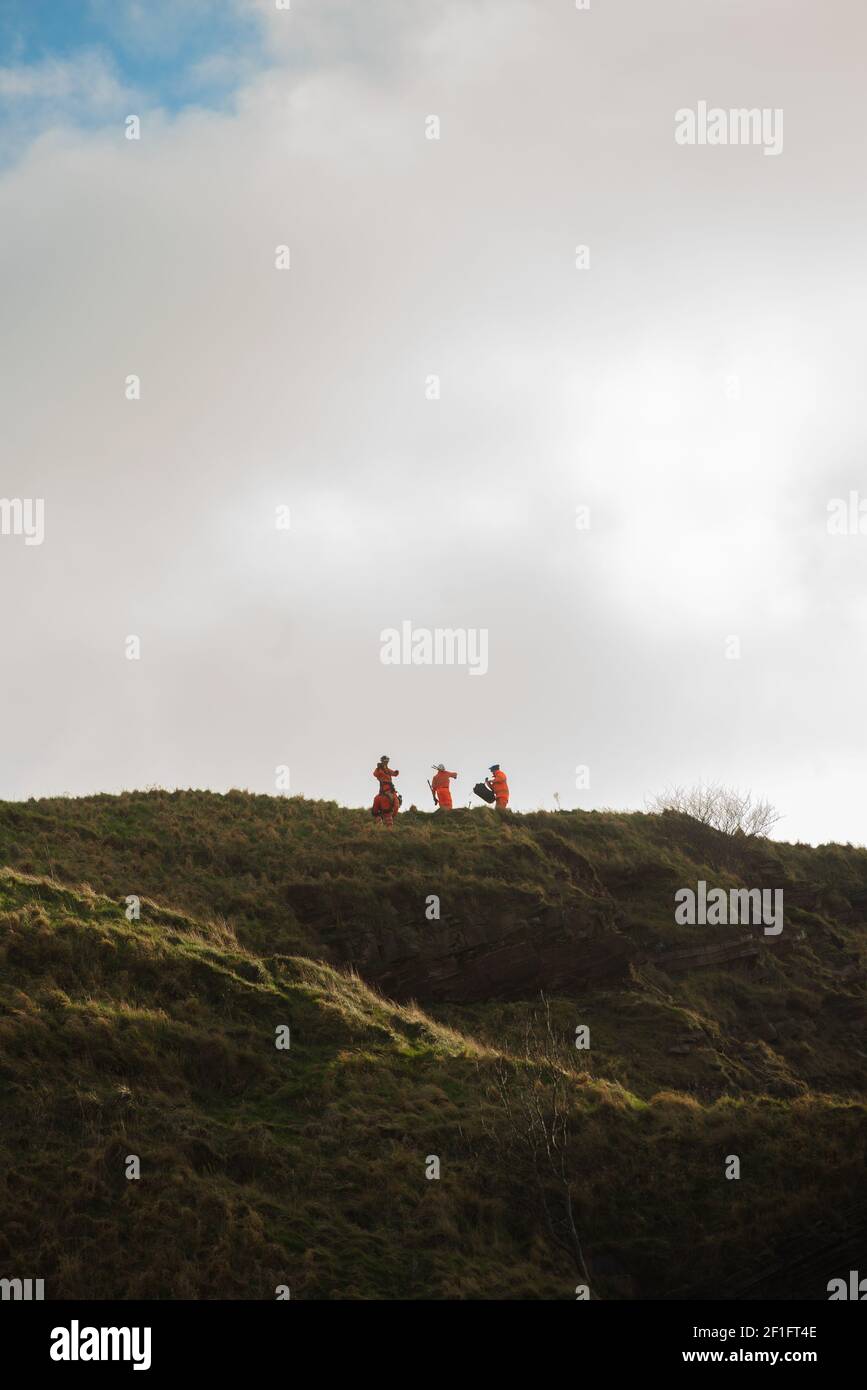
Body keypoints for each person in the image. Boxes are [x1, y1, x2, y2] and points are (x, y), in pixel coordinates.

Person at [373, 755, 400, 821]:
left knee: (397, 800)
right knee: (379, 798)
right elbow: (375, 774)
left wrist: (396, 772)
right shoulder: (379, 769)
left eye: (387, 761)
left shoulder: (387, 769)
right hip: (384, 788)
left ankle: (391, 814)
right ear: (382, 761)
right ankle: (380, 815)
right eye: (385, 761)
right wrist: (378, 769)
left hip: (390, 788)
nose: (386, 762)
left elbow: (394, 773)